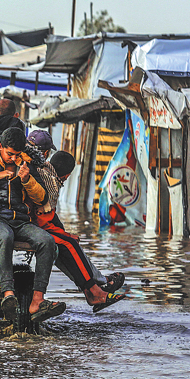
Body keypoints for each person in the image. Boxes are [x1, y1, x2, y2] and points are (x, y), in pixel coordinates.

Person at [0, 126, 64, 323]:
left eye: (17, 154)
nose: (14, 159)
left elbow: (42, 198)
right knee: (4, 237)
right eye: (10, 154)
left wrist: (27, 179)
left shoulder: (27, 164)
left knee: (47, 241)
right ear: (0, 146)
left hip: (21, 221)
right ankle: (8, 295)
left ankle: (37, 300)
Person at [26, 129, 126, 312]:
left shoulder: (36, 167)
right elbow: (40, 216)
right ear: (46, 153)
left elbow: (48, 217)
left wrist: (63, 232)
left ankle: (93, 288)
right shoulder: (40, 173)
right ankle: (95, 290)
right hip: (28, 223)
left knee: (68, 242)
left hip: (32, 221)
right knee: (69, 243)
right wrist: (63, 234)